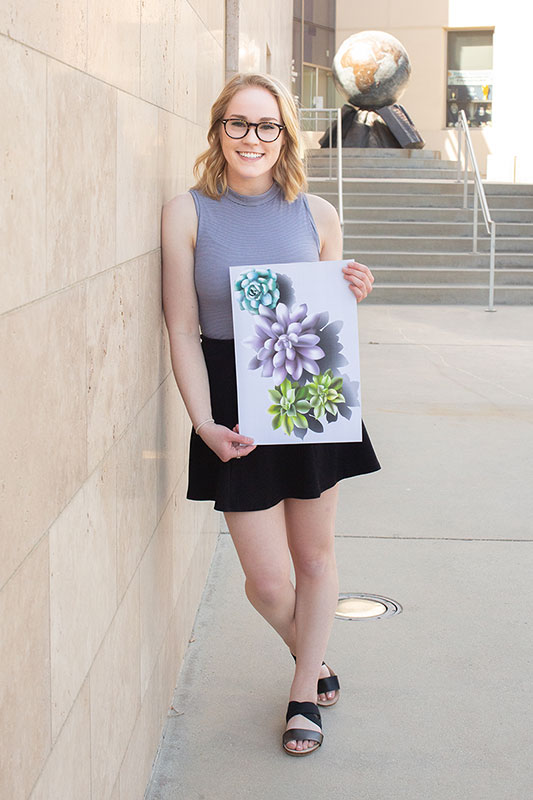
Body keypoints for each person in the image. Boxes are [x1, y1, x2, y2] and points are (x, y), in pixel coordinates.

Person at [161, 72, 380, 757]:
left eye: (266, 126)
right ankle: (312, 661)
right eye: (238, 123)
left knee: (314, 559)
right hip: (232, 403)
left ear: (284, 135)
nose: (251, 138)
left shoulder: (315, 213)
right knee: (264, 580)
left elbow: (325, 311)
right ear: (217, 129)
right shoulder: (186, 212)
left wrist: (354, 289)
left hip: (303, 389)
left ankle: (298, 696)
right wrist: (202, 420)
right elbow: (181, 328)